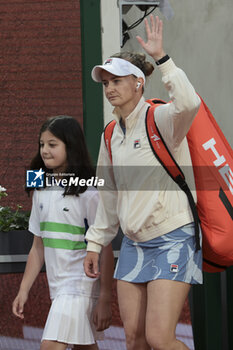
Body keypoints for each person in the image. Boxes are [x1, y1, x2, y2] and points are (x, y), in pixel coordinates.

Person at [84, 15, 203, 350]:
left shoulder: (162, 118)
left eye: (116, 81)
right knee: (134, 341)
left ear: (138, 83)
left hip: (174, 237)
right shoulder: (109, 135)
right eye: (105, 83)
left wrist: (163, 60)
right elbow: (108, 198)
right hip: (134, 244)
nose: (109, 88)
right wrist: (95, 244)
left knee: (159, 339)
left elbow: (190, 103)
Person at [12, 115, 114, 350]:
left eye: (52, 144)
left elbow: (104, 247)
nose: (45, 150)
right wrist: (23, 290)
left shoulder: (89, 192)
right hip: (58, 289)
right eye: (42, 144)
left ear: (71, 146)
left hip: (80, 286)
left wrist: (106, 297)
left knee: (50, 346)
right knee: (84, 347)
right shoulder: (40, 189)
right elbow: (38, 247)